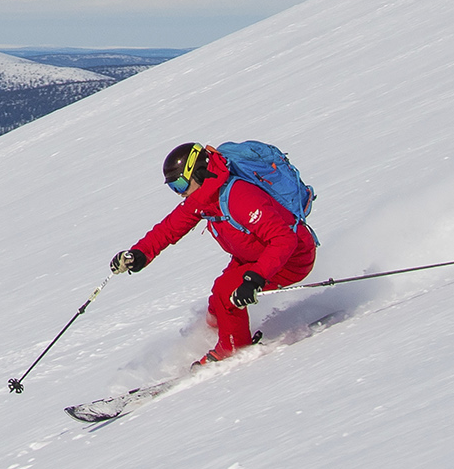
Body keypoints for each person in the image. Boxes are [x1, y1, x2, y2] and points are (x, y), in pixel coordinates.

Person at [111, 142, 317, 367]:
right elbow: (170, 228)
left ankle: (232, 349)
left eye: (180, 184)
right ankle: (214, 335)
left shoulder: (239, 195)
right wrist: (140, 253)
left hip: (291, 258)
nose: (180, 194)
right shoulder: (203, 199)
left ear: (199, 173)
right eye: (173, 188)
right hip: (252, 256)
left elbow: (284, 239)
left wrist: (256, 277)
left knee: (227, 291)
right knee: (216, 303)